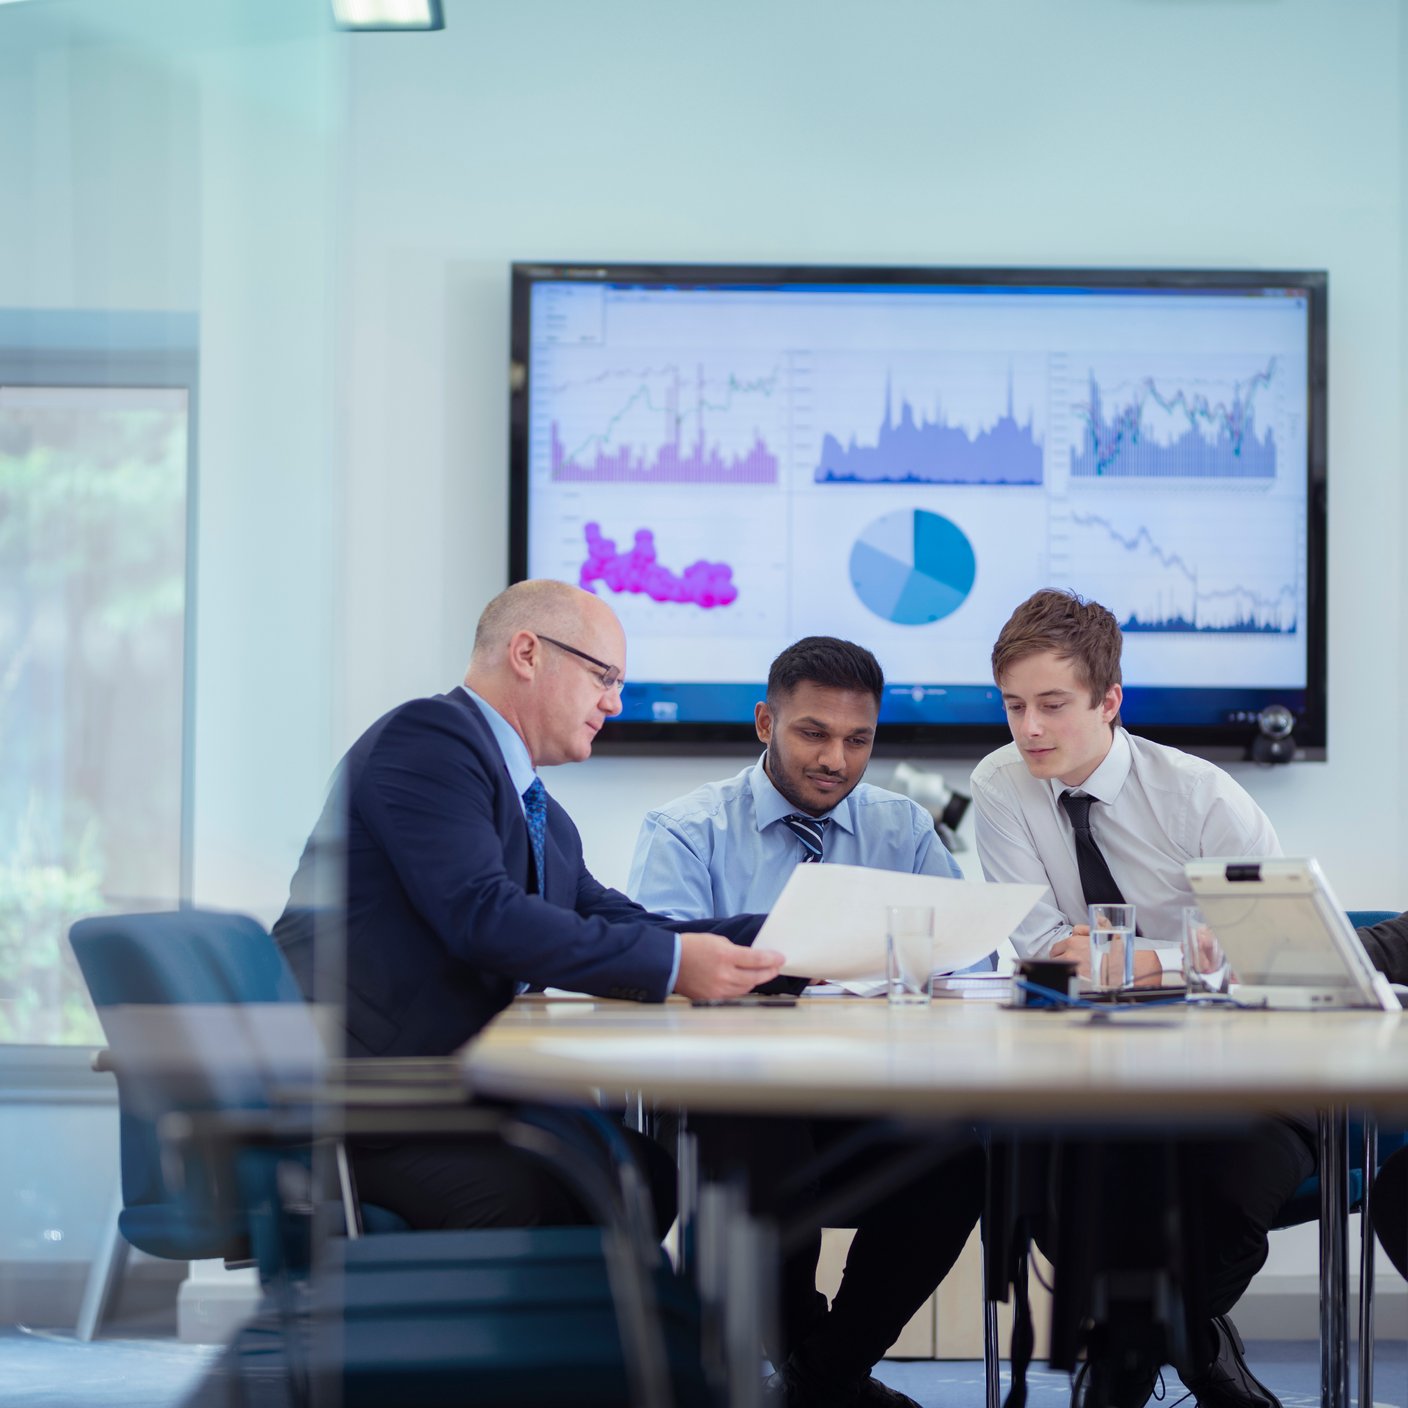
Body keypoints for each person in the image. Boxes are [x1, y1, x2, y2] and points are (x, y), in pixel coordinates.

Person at [272, 578, 784, 1236]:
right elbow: (483, 916)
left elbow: (620, 920)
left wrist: (792, 943)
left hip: (442, 1097)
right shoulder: (427, 741)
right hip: (367, 1108)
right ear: (526, 653)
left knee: (648, 1175)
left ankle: (596, 1340)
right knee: (588, 1187)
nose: (616, 704)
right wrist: (677, 963)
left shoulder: (543, 816)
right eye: (605, 676)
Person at [971, 588, 1314, 1408]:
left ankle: (1130, 1361)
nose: (1030, 730)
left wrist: (1139, 964)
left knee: (1228, 1186)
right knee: (1046, 1189)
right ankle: (1197, 1352)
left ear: (1110, 701)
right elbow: (1039, 947)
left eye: (1053, 705)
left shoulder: (1203, 799)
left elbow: (1273, 956)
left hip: (1247, 1073)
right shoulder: (1000, 786)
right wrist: (1176, 955)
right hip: (1090, 1070)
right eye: (1015, 706)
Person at [629, 637, 984, 1408]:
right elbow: (655, 961)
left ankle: (818, 1384)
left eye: (859, 740)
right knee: (752, 1138)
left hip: (867, 1104)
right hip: (738, 1111)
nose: (837, 759)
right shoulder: (687, 831)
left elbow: (967, 960)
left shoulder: (906, 830)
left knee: (962, 1157)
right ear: (765, 722)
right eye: (813, 733)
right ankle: (828, 1383)